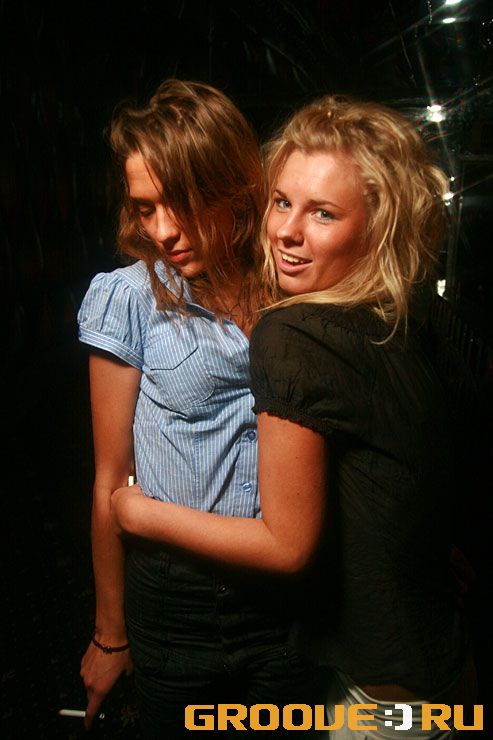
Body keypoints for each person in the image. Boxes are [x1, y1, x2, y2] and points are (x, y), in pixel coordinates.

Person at [111, 94, 477, 738]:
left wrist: (139, 513)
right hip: (444, 678)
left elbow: (287, 546)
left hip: (377, 702)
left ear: (379, 225)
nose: (285, 231)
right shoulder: (416, 315)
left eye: (323, 212)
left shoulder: (293, 331)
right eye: (282, 202)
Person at [77, 78, 317, 738]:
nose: (161, 230)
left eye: (178, 204)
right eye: (145, 208)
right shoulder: (129, 298)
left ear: (231, 186)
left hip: (287, 604)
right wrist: (109, 634)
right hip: (175, 600)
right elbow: (108, 480)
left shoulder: (291, 285)